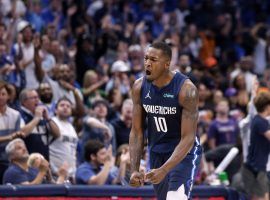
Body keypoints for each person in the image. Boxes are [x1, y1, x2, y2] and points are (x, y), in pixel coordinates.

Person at [129, 42, 201, 200]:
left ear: (166, 64)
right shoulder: (139, 87)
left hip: (183, 153)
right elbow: (136, 132)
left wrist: (165, 169)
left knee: (175, 198)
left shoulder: (186, 90)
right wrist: (134, 169)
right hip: (157, 152)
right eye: (146, 58)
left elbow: (188, 138)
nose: (147, 63)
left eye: (153, 60)